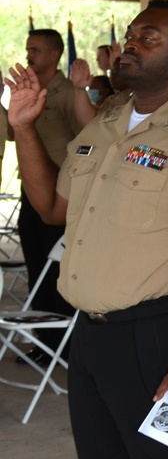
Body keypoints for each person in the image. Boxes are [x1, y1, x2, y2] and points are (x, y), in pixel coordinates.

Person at [5, 0, 168, 459]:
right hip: (90, 336)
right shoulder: (107, 123)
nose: (131, 43)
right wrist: (24, 128)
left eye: (150, 36)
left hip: (155, 337)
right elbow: (53, 207)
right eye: (132, 33)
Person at [15, 28, 79, 366]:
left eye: (35, 50)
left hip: (62, 193)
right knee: (37, 265)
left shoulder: (67, 92)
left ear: (55, 54)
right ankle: (44, 342)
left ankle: (67, 345)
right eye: (28, 49)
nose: (29, 55)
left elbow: (87, 138)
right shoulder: (32, 90)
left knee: (59, 271)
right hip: (32, 192)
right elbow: (13, 133)